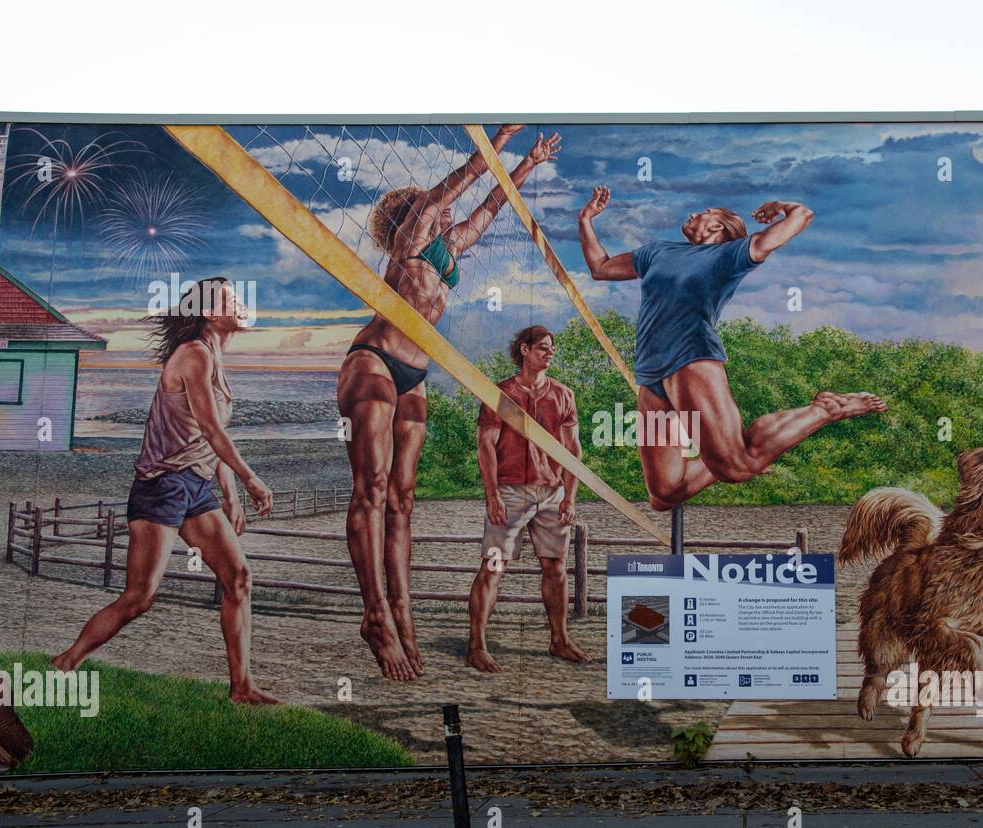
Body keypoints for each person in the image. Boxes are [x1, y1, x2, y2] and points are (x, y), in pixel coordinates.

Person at [340, 125, 561, 680]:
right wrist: (493, 145)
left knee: (403, 500)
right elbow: (450, 192)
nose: (439, 216)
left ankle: (402, 615)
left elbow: (486, 208)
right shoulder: (408, 244)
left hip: (414, 375)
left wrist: (528, 164)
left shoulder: (446, 253)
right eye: (426, 209)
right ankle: (374, 614)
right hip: (373, 361)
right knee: (371, 487)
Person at [579, 186, 888, 510]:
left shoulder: (730, 255)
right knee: (664, 494)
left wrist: (780, 205)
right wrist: (586, 219)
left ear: (718, 227)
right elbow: (601, 268)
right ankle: (736, 452)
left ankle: (826, 409)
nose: (693, 214)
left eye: (704, 212)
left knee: (737, 468)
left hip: (689, 359)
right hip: (650, 375)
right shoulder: (657, 252)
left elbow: (802, 216)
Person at [53, 278, 277, 702]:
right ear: (212, 313)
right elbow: (211, 429)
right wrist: (251, 479)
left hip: (195, 486)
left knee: (239, 577)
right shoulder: (193, 355)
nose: (244, 306)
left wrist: (229, 497)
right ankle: (67, 661)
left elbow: (209, 438)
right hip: (161, 486)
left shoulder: (214, 358)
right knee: (140, 597)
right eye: (235, 300)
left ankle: (242, 687)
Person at [467, 326, 588, 673]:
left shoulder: (563, 394)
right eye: (543, 348)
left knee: (556, 569)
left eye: (552, 349)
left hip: (552, 492)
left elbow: (573, 450)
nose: (550, 354)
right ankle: (476, 646)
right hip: (510, 490)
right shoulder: (500, 393)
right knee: (493, 567)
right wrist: (492, 495)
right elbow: (485, 447)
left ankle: (559, 640)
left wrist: (570, 497)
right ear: (524, 350)